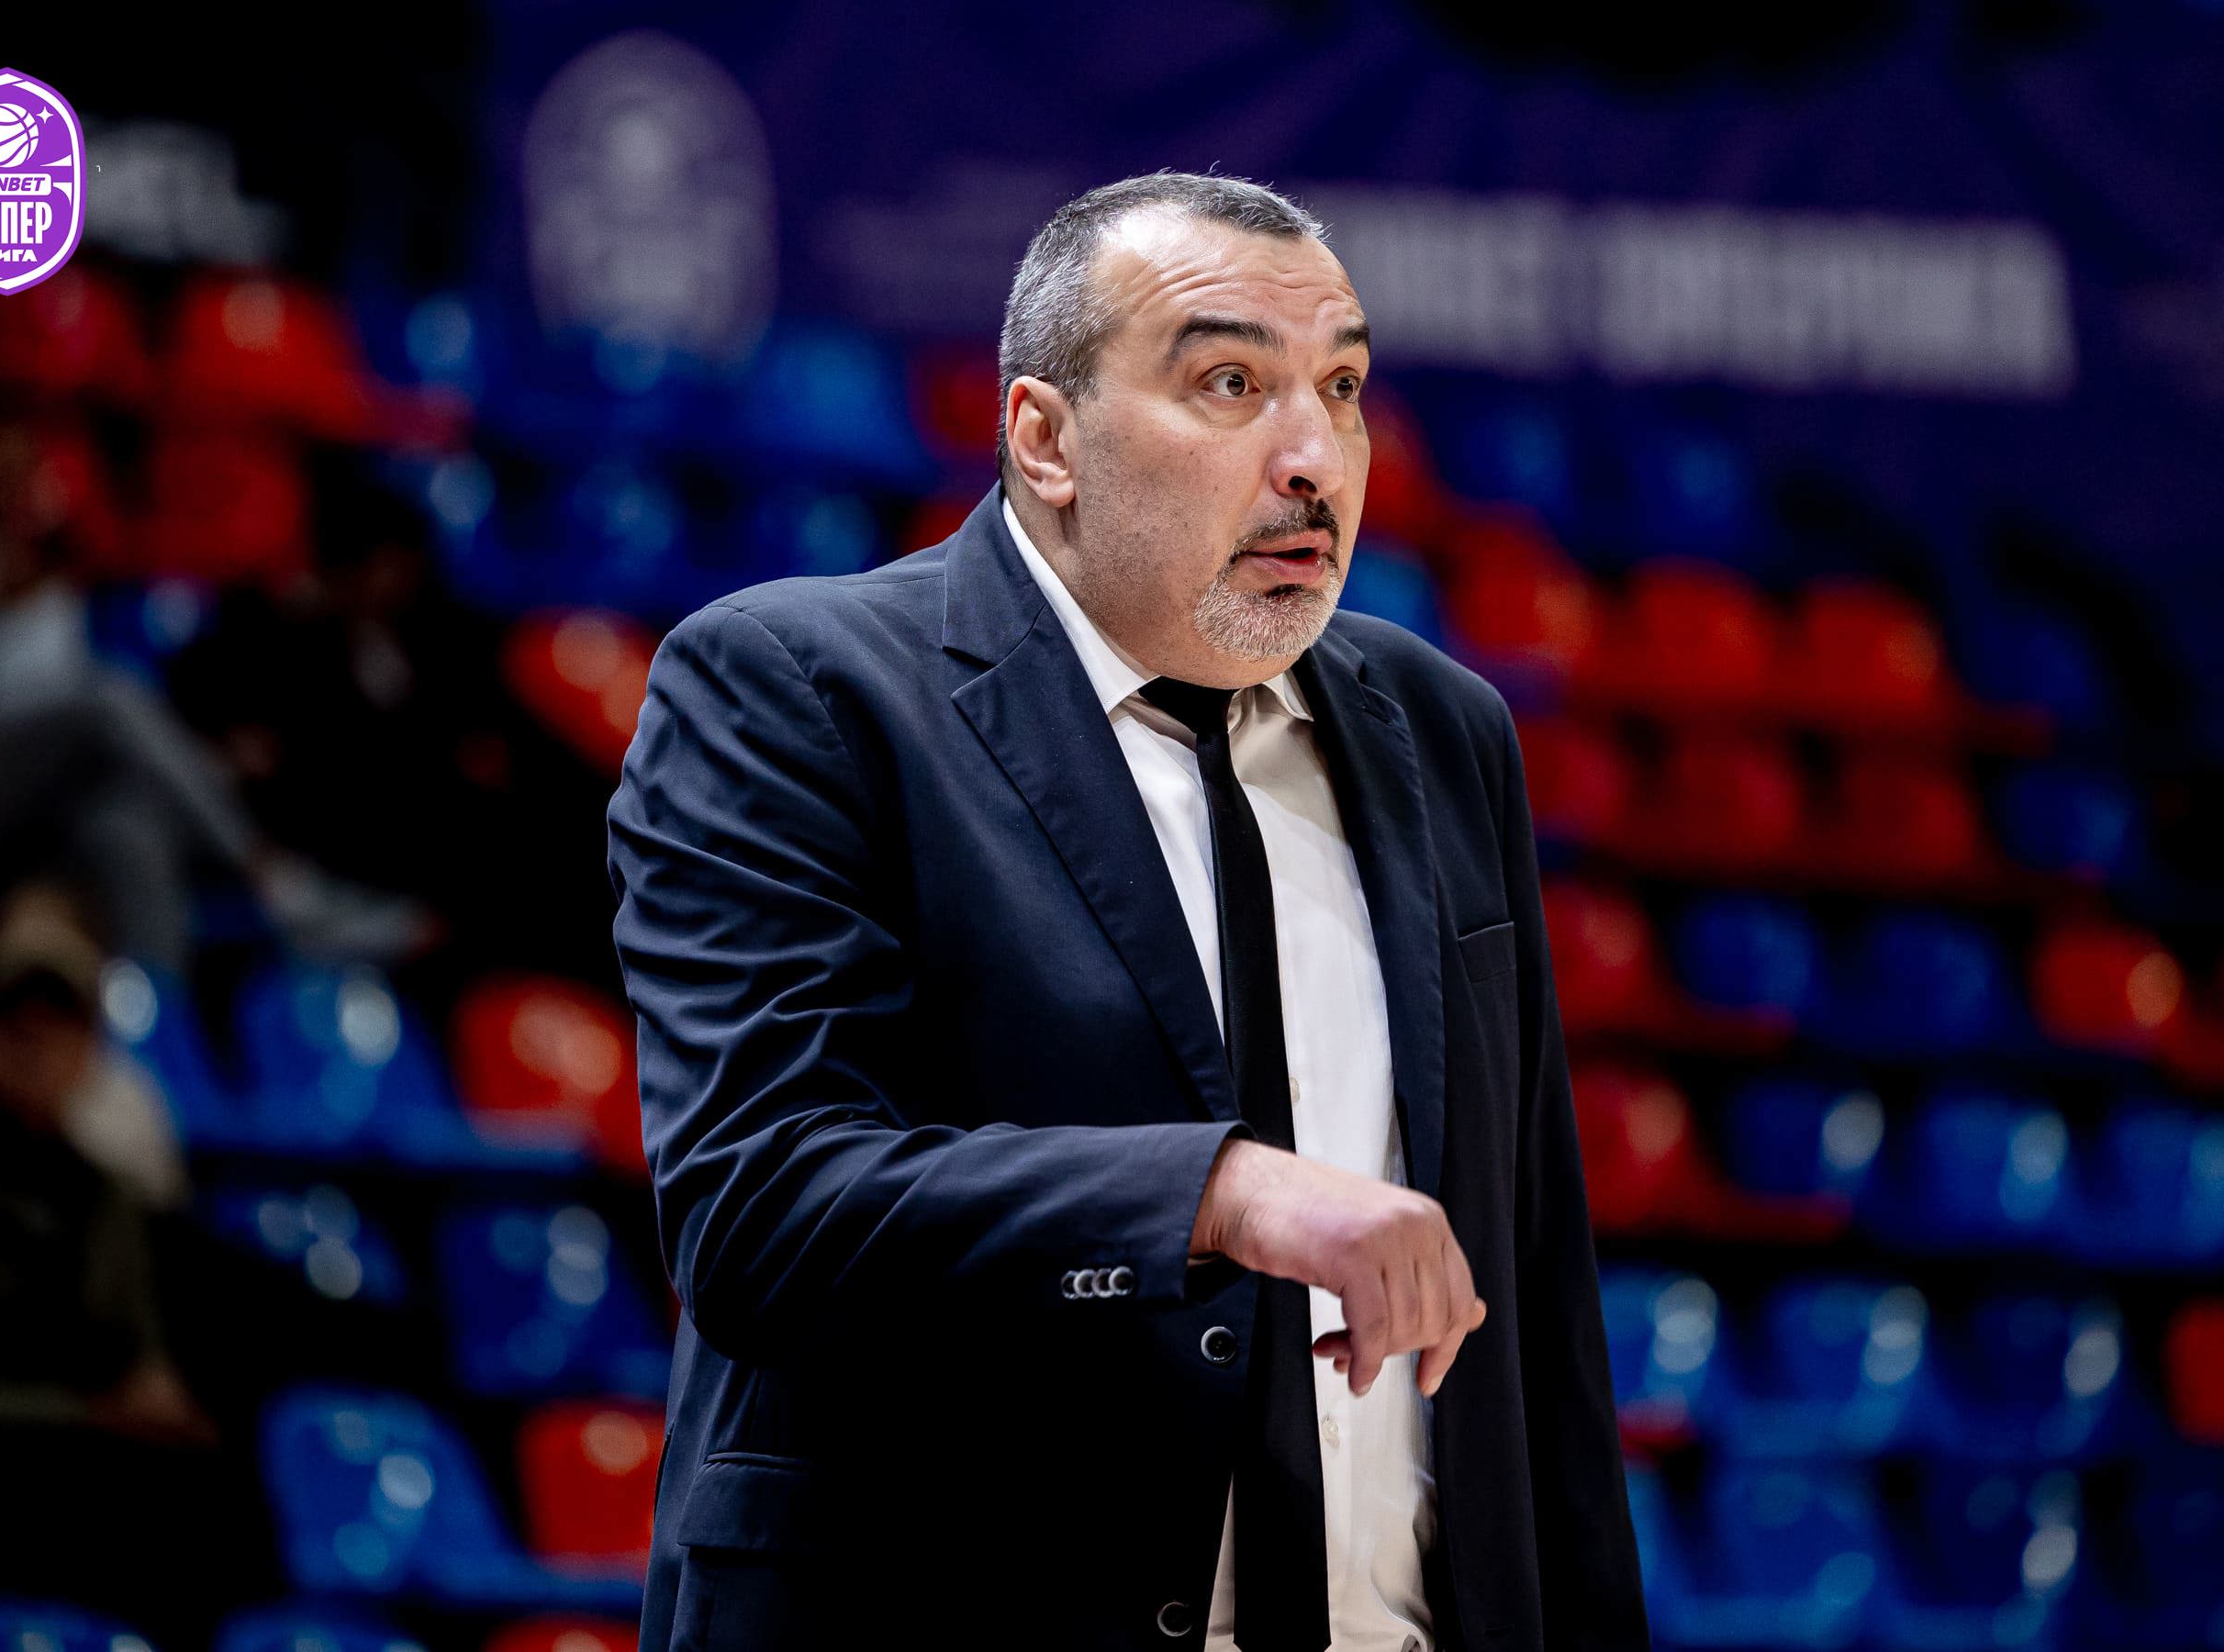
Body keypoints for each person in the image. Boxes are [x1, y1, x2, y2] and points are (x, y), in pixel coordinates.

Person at [606, 170, 1647, 1652]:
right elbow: (762, 1212)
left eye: (1342, 388)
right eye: (1232, 384)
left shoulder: (1442, 728)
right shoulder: (800, 691)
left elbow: (1537, 1299)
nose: (1315, 457)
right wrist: (1224, 1196)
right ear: (1046, 438)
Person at [0, 882, 269, 1648]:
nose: (34, 1046)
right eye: (13, 1023)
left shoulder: (106, 1197)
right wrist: (91, 1416)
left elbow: (137, 1360)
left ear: (91, 1052)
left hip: (66, 1477)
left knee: (209, 1492)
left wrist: (156, 1399)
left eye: (60, 1025)